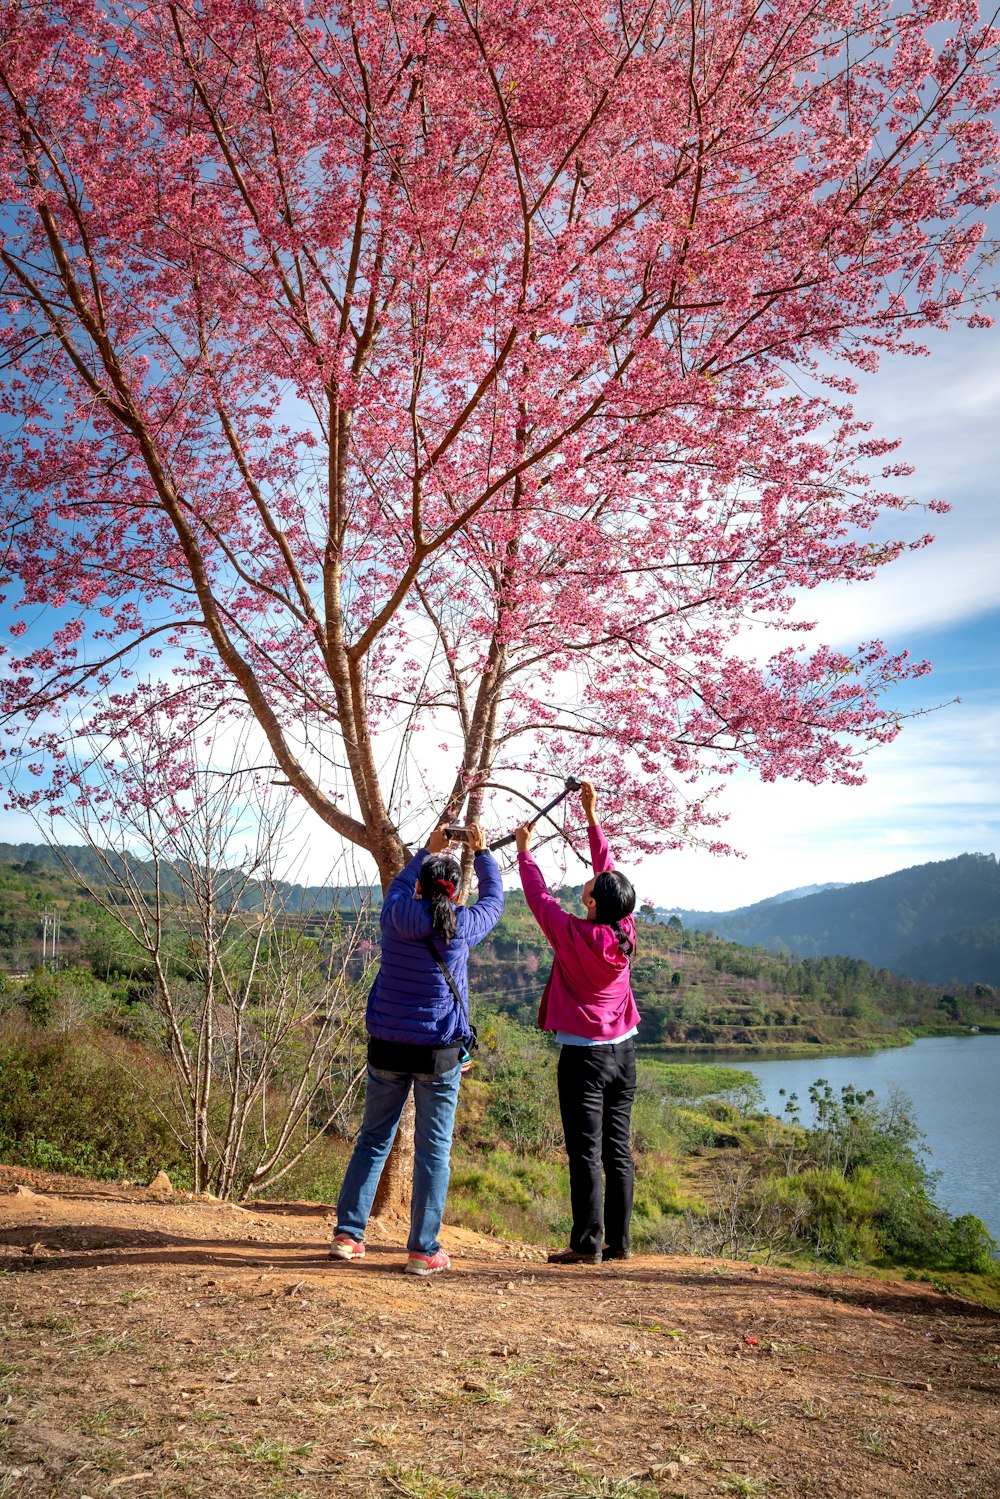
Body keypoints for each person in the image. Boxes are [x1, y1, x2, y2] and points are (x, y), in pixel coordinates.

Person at [331, 823, 503, 1275]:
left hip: (387, 1046)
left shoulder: (395, 915)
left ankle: (348, 1235)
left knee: (372, 1139)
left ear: (422, 888)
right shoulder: (463, 925)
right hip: (438, 1054)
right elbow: (494, 902)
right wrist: (482, 854)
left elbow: (399, 886)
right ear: (453, 893)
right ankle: (423, 1250)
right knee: (433, 1151)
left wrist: (424, 853)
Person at [515, 780, 639, 1265]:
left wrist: (525, 852)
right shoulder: (622, 929)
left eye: (589, 889)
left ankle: (587, 1245)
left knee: (585, 1152)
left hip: (584, 1059)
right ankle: (621, 1243)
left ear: (591, 904)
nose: (589, 882)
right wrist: (591, 816)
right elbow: (606, 869)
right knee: (617, 1149)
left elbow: (538, 896)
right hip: (625, 1056)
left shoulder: (572, 934)